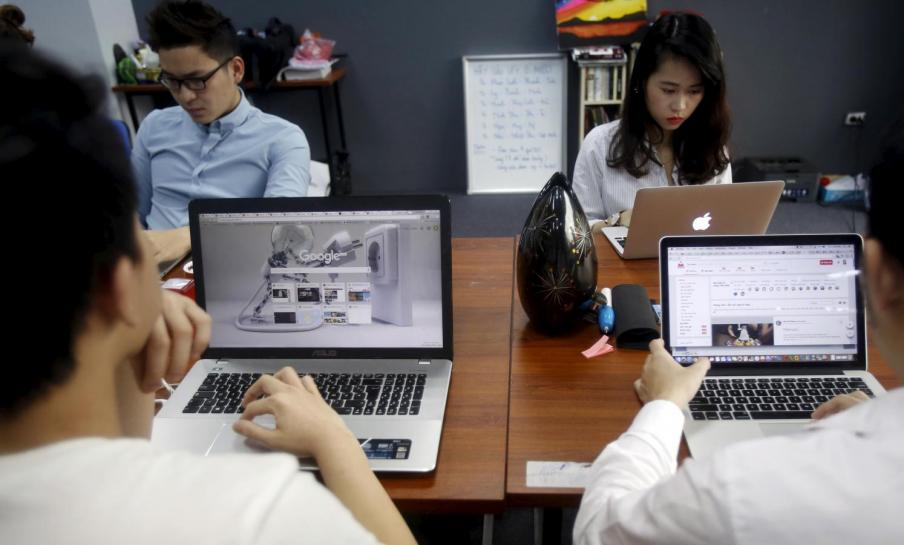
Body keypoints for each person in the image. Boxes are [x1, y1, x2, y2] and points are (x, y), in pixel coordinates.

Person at [0, 44, 415, 545]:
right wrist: (334, 439)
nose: (186, 95)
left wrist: (130, 339)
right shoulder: (265, 511)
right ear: (122, 284)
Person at [573, 137, 904, 542]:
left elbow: (599, 532)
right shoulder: (601, 143)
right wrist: (871, 420)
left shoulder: (737, 486)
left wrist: (664, 405)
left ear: (878, 273)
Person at [134, 0, 311, 263]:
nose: (184, 96)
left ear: (236, 70)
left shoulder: (284, 140)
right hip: (150, 275)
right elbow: (132, 212)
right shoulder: (154, 126)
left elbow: (278, 231)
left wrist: (188, 235)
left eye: (198, 80)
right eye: (172, 80)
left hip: (225, 269)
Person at [572, 12, 732, 226]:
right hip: (620, 260)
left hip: (691, 260)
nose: (680, 106)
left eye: (694, 91)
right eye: (668, 90)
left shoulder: (713, 150)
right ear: (642, 82)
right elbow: (577, 233)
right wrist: (618, 222)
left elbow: (724, 226)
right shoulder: (600, 145)